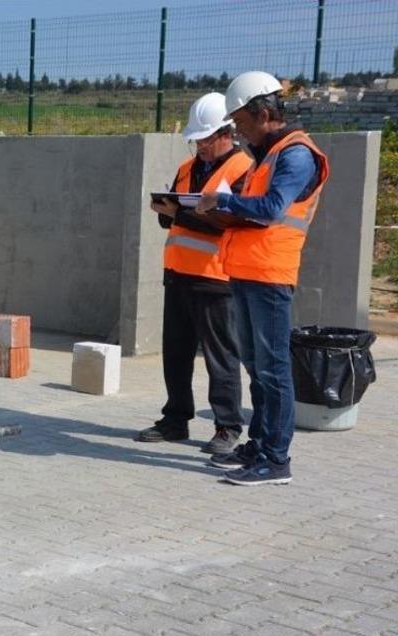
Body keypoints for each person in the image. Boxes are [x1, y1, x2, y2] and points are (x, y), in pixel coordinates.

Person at [195, 71, 330, 486]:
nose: (237, 131)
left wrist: (224, 200)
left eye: (240, 122)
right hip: (248, 270)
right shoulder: (268, 155)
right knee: (256, 367)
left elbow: (271, 209)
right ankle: (259, 445)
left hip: (270, 275)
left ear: (265, 113)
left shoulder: (296, 154)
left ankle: (276, 458)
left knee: (273, 370)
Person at [137, 92, 251, 456]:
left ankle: (228, 426)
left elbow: (227, 223)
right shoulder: (187, 168)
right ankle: (175, 420)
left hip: (216, 279)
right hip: (178, 274)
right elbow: (172, 219)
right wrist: (166, 209)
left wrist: (180, 214)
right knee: (176, 353)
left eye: (205, 139)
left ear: (226, 133)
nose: (200, 146)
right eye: (196, 140)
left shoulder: (243, 170)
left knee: (221, 357)